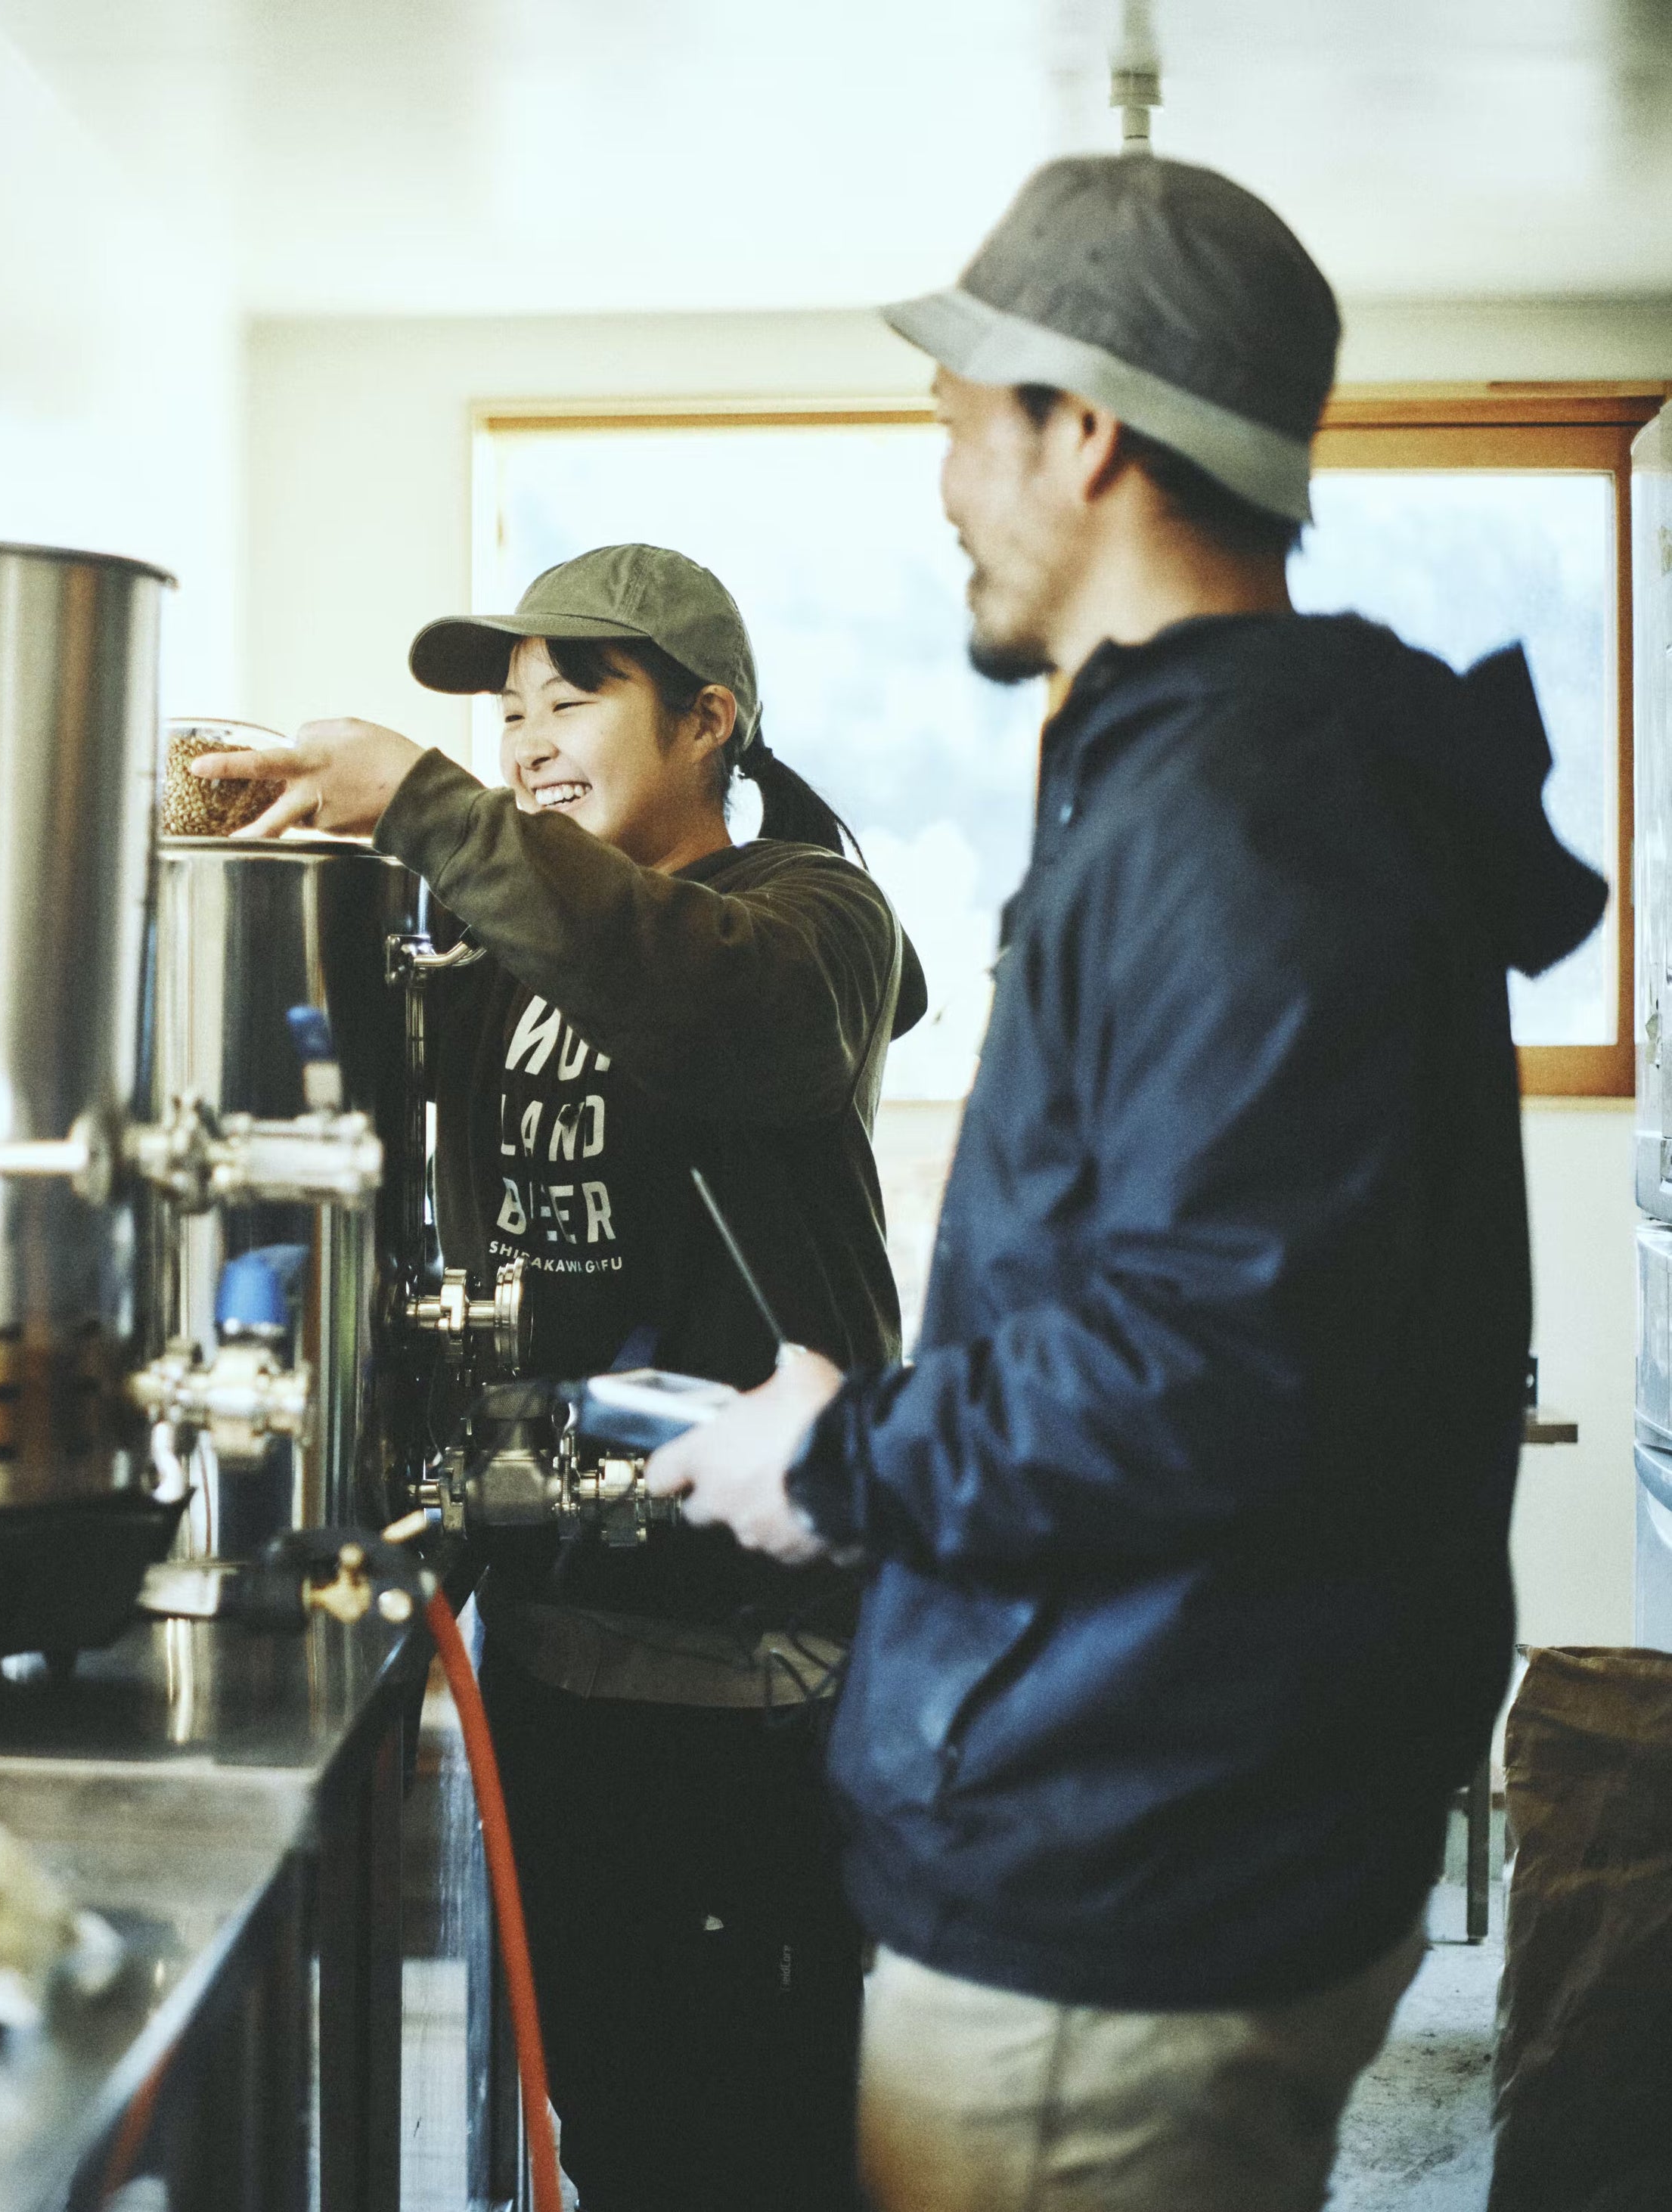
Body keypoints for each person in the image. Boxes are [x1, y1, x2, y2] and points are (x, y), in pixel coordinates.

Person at [650, 155, 1609, 2212]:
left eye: (956, 424)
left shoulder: (1236, 822)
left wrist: (839, 1460)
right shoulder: (1230, 780)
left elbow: (1205, 1365)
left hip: (1125, 1856)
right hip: (1176, 1802)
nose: (941, 488)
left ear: (1080, 430)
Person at [195, 543, 926, 2211]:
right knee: (605, 2112)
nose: (527, 736)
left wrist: (432, 806)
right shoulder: (512, 931)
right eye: (509, 707)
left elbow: (718, 1008)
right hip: (550, 1642)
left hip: (749, 1667)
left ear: (710, 721)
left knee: (752, 2143)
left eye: (573, 697)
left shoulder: (815, 915)